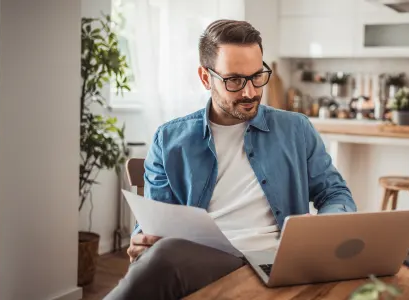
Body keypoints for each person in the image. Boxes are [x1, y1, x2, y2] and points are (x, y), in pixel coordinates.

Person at [105, 19, 356, 300]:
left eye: (257, 76)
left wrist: (323, 229)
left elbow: (335, 193)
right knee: (165, 254)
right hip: (205, 263)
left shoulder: (296, 129)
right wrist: (144, 241)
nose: (250, 92)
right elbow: (157, 222)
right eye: (234, 80)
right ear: (205, 78)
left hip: (279, 261)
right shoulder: (169, 140)